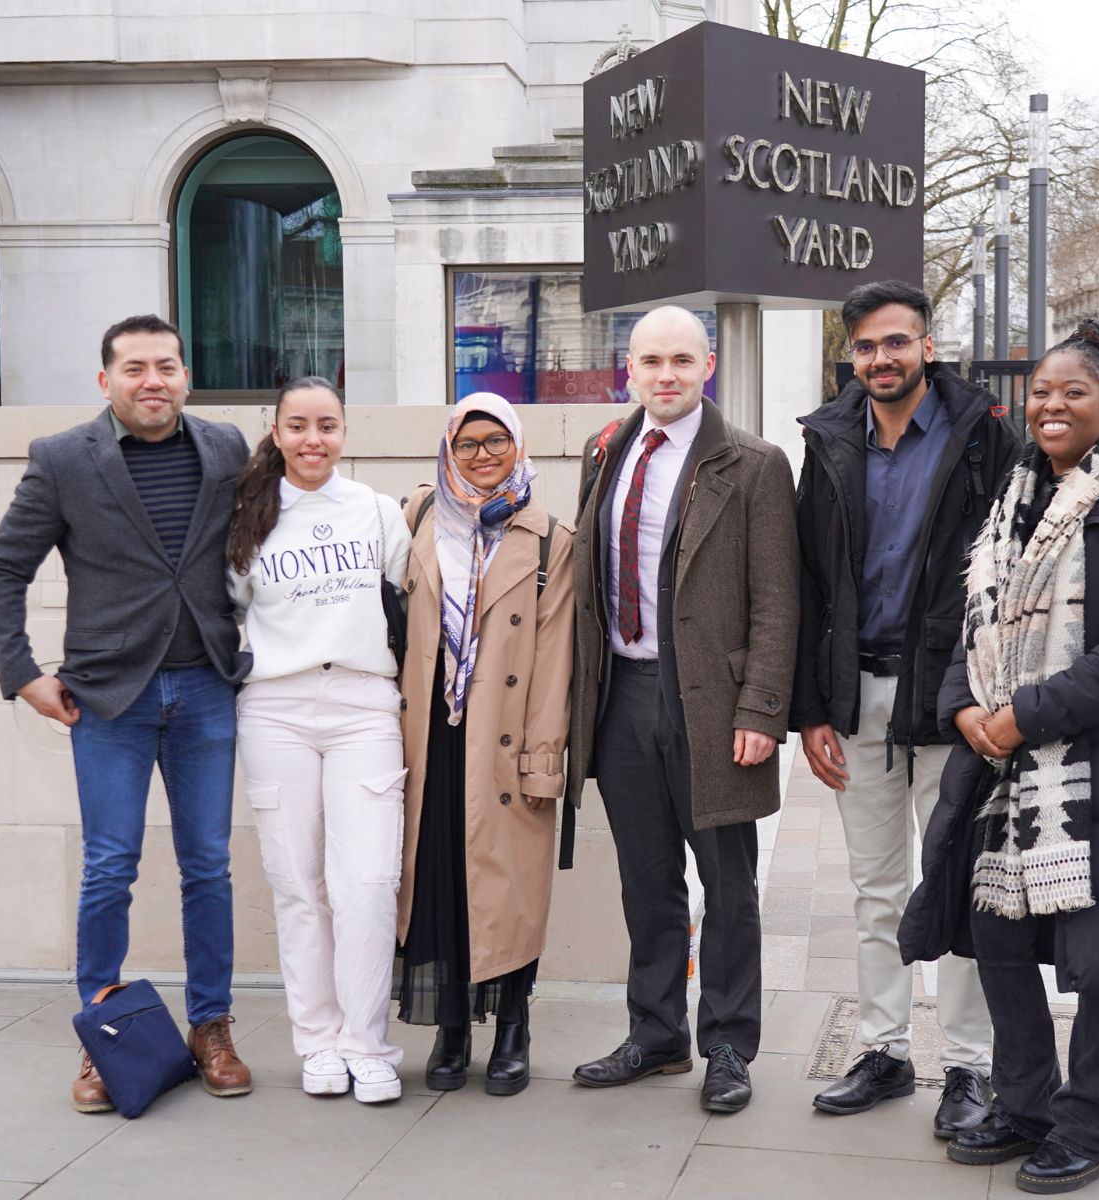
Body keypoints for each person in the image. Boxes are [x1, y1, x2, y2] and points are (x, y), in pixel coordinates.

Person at [933, 317, 1099, 1194]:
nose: (1051, 406)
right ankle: (1026, 1102)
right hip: (1009, 765)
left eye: (1072, 393)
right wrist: (965, 710)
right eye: (1041, 393)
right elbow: (972, 628)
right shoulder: (1014, 504)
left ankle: (1089, 1123)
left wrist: (1021, 717)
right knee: (994, 933)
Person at [0, 314, 254, 1113]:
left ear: (186, 375)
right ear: (106, 381)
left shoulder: (227, 448)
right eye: (134, 368)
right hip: (109, 698)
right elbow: (4, 569)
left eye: (165, 365)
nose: (152, 381)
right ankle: (105, 1040)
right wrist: (21, 673)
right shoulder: (64, 460)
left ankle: (213, 1027)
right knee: (110, 868)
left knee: (209, 865)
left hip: (206, 686)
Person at [792, 280, 1019, 1134]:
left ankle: (969, 1066)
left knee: (954, 885)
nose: (881, 359)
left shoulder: (982, 437)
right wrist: (813, 708)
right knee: (876, 892)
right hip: (860, 699)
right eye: (866, 347)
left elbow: (1013, 574)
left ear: (926, 344)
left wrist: (989, 697)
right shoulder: (829, 440)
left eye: (896, 342)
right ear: (851, 355)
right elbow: (811, 586)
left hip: (954, 702)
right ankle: (884, 1050)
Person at [563, 305, 799, 1115]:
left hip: (711, 701)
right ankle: (655, 1033)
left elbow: (777, 599)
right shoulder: (606, 451)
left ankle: (728, 1045)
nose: (666, 376)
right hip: (621, 695)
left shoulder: (755, 463)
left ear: (707, 369)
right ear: (627, 369)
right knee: (646, 879)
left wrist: (762, 711)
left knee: (728, 886)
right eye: (650, 361)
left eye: (681, 362)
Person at [225, 376, 413, 1104]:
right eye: (298, 426)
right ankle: (318, 1042)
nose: (313, 440)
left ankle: (368, 1044)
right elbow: (228, 611)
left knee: (366, 884)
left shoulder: (374, 511)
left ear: (345, 431)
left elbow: (411, 598)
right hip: (275, 707)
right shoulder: (251, 515)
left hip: (365, 703)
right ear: (276, 431)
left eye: (327, 426)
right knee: (298, 886)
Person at [394, 393, 575, 1097]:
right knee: (438, 879)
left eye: (496, 442)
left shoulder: (549, 537)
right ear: (448, 450)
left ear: (518, 447)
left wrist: (542, 758)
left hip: (503, 739)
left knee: (506, 892)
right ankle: (450, 1030)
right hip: (431, 737)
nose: (482, 457)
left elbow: (556, 656)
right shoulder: (416, 519)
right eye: (467, 444)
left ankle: (511, 1030)